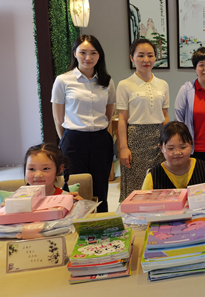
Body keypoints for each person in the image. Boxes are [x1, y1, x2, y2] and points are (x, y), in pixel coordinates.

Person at [51, 35, 115, 212]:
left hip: (101, 140)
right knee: (75, 186)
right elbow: (58, 118)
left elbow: (109, 114)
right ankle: (76, 222)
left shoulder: (107, 81)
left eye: (93, 53)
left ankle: (100, 221)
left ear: (99, 55)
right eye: (83, 52)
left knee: (100, 186)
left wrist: (102, 133)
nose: (88, 57)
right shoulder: (63, 80)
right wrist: (66, 139)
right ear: (75, 54)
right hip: (73, 140)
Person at [117, 39, 170, 202]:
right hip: (135, 139)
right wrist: (123, 148)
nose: (146, 60)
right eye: (140, 55)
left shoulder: (163, 84)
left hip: (159, 139)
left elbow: (165, 114)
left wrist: (168, 142)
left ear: (155, 58)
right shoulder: (124, 85)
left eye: (150, 55)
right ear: (132, 58)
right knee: (136, 186)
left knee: (159, 181)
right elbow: (122, 119)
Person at [141, 121, 205, 194]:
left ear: (191, 145)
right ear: (161, 148)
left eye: (183, 147)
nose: (177, 152)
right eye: (171, 148)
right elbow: (144, 203)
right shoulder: (153, 176)